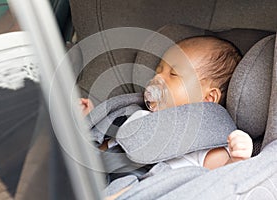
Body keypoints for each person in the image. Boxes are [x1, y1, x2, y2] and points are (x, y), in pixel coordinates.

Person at [81, 36, 253, 170]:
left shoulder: (206, 141)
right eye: (158, 71)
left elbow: (219, 184)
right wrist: (91, 120)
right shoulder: (137, 116)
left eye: (174, 74)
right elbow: (101, 153)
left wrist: (236, 160)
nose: (157, 78)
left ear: (208, 99)